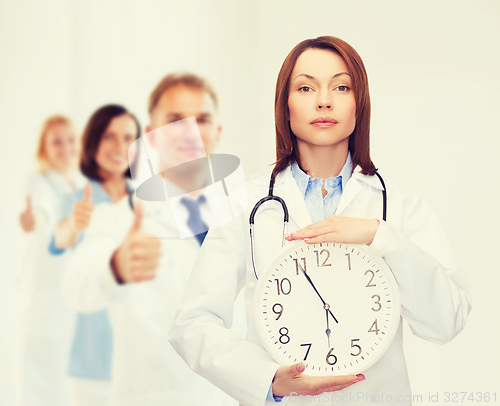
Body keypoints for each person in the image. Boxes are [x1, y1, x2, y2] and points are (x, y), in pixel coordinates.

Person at [168, 36, 472, 406]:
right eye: (306, 87)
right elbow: (192, 323)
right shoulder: (245, 205)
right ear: (286, 105)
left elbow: (447, 321)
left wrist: (381, 237)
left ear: (359, 105)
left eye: (341, 87)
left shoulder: (400, 208)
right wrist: (268, 380)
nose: (324, 100)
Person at [62, 73, 242, 406]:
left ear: (217, 133)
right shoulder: (121, 218)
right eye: (175, 120)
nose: (190, 131)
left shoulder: (251, 215)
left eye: (202, 119)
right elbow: (76, 286)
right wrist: (114, 267)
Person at [50, 104, 141, 406]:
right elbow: (59, 239)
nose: (119, 147)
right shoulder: (78, 199)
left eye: (128, 137)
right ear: (93, 142)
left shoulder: (145, 198)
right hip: (93, 353)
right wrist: (73, 226)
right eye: (109, 137)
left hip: (141, 347)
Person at [17, 115, 82, 406]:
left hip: (70, 293)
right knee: (41, 378)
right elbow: (41, 213)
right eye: (56, 141)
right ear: (44, 148)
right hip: (46, 293)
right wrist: (34, 220)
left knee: (64, 380)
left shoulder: (80, 184)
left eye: (70, 140)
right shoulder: (39, 181)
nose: (65, 147)